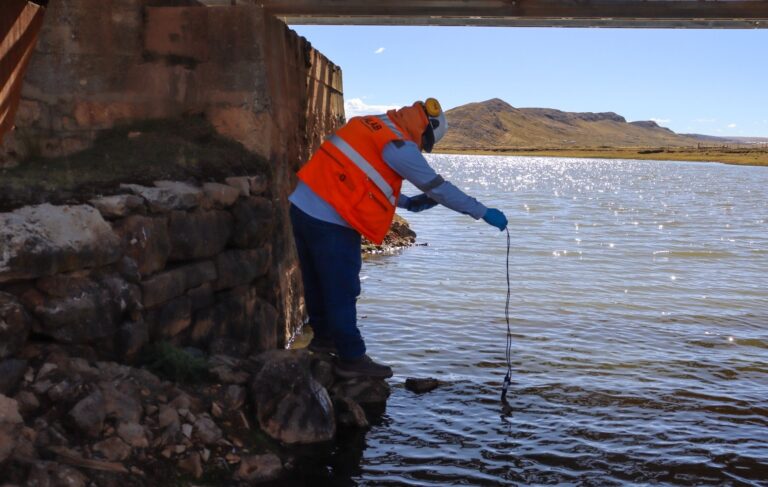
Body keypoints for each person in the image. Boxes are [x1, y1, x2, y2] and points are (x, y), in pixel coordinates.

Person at [289, 98, 508, 379]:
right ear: (425, 130)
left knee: (317, 283)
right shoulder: (400, 146)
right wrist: (483, 211)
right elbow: (439, 188)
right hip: (331, 219)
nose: (422, 148)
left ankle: (323, 340)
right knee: (342, 289)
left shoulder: (371, 124)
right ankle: (351, 358)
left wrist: (405, 203)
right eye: (426, 143)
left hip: (302, 206)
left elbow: (362, 176)